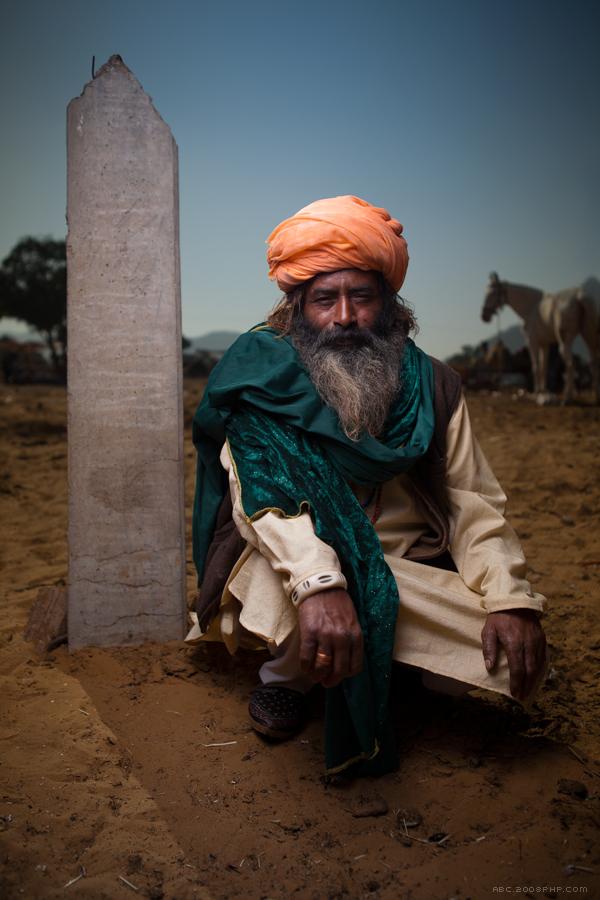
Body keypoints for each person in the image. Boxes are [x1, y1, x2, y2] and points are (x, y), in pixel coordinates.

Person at [188, 195, 547, 777]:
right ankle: (289, 678)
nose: (345, 317)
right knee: (299, 576)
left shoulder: (433, 385)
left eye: (362, 296)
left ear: (389, 303)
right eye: (326, 299)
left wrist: (509, 599)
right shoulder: (263, 372)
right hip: (292, 560)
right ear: (297, 306)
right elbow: (264, 503)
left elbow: (471, 501)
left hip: (409, 569)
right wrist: (321, 581)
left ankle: (378, 654)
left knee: (514, 659)